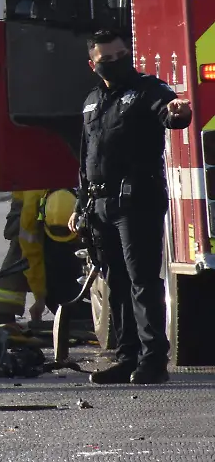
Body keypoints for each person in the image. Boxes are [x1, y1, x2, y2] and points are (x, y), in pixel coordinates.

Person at [69, 29, 191, 385]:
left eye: (120, 56)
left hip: (137, 201)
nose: (114, 63)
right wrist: (80, 203)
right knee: (116, 284)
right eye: (106, 59)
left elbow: (170, 114)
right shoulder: (92, 100)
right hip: (100, 203)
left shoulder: (148, 90)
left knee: (142, 282)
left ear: (129, 54)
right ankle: (126, 357)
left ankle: (153, 360)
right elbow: (85, 156)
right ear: (92, 64)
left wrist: (178, 112)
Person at [0, 191, 48, 326]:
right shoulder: (32, 209)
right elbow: (31, 253)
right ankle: (6, 314)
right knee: (18, 252)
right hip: (29, 202)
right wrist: (40, 298)